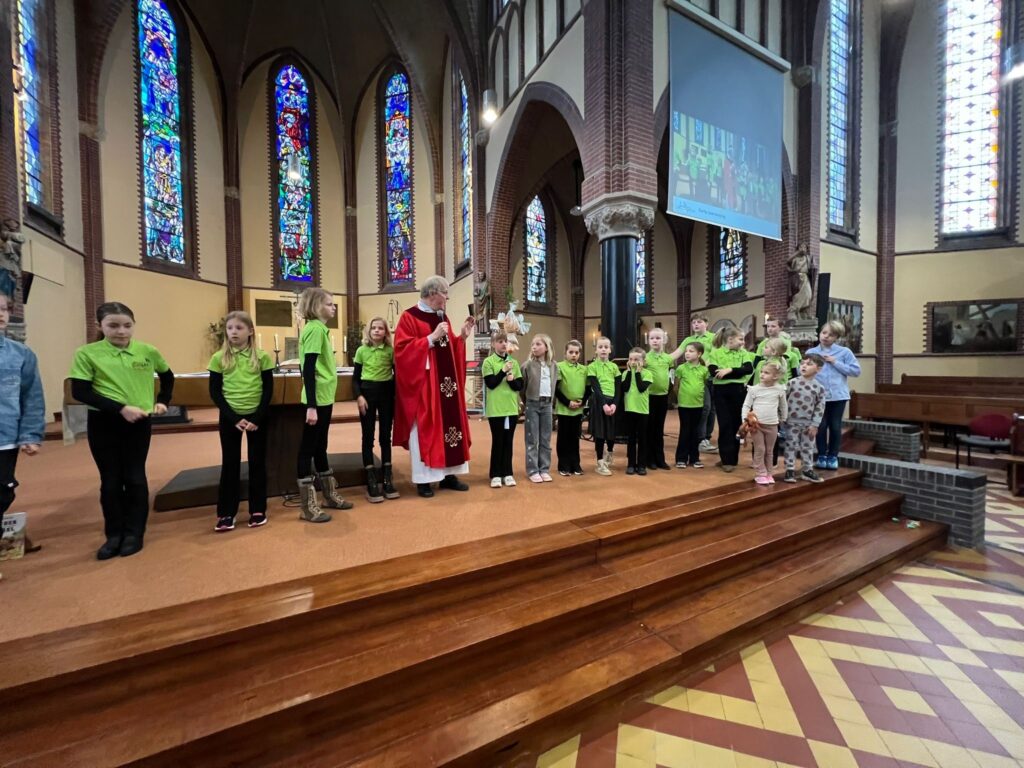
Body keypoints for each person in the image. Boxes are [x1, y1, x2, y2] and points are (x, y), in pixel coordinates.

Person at [69, 302, 173, 559]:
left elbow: (168, 376)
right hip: (104, 423)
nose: (121, 331)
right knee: (111, 481)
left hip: (138, 423)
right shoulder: (87, 353)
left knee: (135, 477)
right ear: (100, 326)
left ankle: (134, 533)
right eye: (113, 326)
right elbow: (80, 391)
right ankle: (113, 535)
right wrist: (119, 409)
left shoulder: (147, 351)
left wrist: (163, 401)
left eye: (127, 326)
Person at [393, 275, 475, 498]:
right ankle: (424, 481)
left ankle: (449, 475)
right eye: (445, 293)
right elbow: (401, 352)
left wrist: (462, 338)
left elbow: (447, 352)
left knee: (450, 428)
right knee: (425, 429)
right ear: (432, 294)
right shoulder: (409, 317)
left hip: (445, 387)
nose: (447, 297)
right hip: (425, 388)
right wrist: (430, 338)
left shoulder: (442, 316)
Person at [208, 311, 274, 532]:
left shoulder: (262, 356)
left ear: (250, 331)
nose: (233, 332)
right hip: (230, 418)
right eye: (230, 328)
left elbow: (268, 390)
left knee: (257, 463)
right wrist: (234, 418)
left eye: (239, 328)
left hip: (258, 417)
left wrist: (257, 417)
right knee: (230, 464)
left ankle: (258, 509)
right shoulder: (219, 358)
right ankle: (226, 513)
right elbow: (215, 392)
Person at [0, 292, 44, 579]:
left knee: (4, 492)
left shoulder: (21, 354)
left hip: (5, 436)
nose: (0, 314)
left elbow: (32, 397)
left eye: (3, 308)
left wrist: (30, 433)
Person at [297, 288, 350, 523]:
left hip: (323, 397)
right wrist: (311, 405)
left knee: (320, 446)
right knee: (307, 449)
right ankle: (307, 507)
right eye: (329, 304)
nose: (334, 307)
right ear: (316, 306)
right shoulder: (315, 330)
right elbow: (308, 369)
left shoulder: (320, 329)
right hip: (315, 399)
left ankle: (329, 495)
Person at [353, 317, 398, 503]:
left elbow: (397, 376)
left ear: (386, 332)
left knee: (385, 436)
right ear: (369, 331)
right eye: (374, 328)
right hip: (367, 395)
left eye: (381, 328)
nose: (377, 331)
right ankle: (371, 479)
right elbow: (355, 378)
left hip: (386, 395)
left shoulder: (390, 351)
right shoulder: (362, 350)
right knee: (368, 436)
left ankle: (387, 477)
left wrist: (396, 397)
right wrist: (359, 396)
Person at [806, 320, 861, 470]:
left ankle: (833, 456)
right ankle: (822, 455)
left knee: (835, 426)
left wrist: (835, 362)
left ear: (836, 337)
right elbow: (803, 373)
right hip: (818, 396)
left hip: (838, 396)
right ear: (820, 333)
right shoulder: (811, 353)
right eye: (824, 333)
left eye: (831, 335)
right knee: (821, 426)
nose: (826, 337)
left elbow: (856, 371)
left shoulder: (844, 352)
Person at [705, 326, 754, 473]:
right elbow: (714, 372)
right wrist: (737, 372)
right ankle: (726, 459)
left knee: (736, 425)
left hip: (738, 392)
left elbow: (748, 369)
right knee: (725, 424)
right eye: (741, 339)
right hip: (721, 392)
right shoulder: (716, 353)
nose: (743, 342)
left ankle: (733, 458)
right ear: (730, 339)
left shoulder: (743, 353)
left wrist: (729, 370)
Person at [482, 330, 523, 488]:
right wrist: (503, 371)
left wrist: (512, 380)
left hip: (511, 409)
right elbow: (491, 383)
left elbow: (519, 386)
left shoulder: (514, 362)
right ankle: (495, 474)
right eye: (500, 341)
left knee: (509, 442)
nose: (504, 344)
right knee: (498, 441)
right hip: (496, 410)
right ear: (493, 344)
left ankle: (508, 473)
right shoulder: (488, 362)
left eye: (505, 341)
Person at [671, 313, 717, 453]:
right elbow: (676, 354)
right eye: (694, 322)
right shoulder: (688, 340)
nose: (696, 324)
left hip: (708, 375)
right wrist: (658, 360)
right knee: (704, 408)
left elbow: (715, 355)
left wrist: (703, 366)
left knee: (710, 409)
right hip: (694, 376)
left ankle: (705, 438)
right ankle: (700, 438)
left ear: (706, 323)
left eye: (699, 322)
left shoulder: (713, 337)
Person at [741, 362, 787, 485]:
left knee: (769, 450)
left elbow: (783, 406)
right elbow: (746, 405)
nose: (762, 374)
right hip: (757, 425)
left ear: (775, 376)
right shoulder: (753, 389)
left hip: (772, 425)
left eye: (766, 373)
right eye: (761, 371)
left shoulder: (779, 389)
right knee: (760, 448)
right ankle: (760, 473)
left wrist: (783, 418)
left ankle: (769, 473)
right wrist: (745, 420)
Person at [783, 354, 827, 483]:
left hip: (809, 424)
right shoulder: (792, 383)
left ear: (818, 369)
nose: (804, 366)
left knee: (808, 447)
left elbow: (820, 407)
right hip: (791, 422)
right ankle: (789, 470)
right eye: (802, 363)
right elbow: (782, 400)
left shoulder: (819, 388)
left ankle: (807, 470)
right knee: (790, 445)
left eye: (809, 364)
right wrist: (781, 417)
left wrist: (815, 424)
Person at [521, 333, 558, 483]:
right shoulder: (527, 365)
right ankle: (532, 470)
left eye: (538, 344)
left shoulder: (554, 365)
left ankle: (544, 469)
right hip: (532, 404)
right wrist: (527, 402)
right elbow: (522, 387)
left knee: (545, 438)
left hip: (547, 405)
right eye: (533, 344)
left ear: (547, 347)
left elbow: (555, 384)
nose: (534, 347)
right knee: (532, 438)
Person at [555, 340, 588, 476]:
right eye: (571, 352)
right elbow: (556, 389)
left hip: (578, 409)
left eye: (576, 352)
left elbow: (588, 388)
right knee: (563, 437)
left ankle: (575, 464)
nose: (574, 355)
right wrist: (568, 402)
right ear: (565, 353)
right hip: (564, 408)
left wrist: (582, 402)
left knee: (575, 438)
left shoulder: (584, 369)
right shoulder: (559, 366)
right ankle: (563, 465)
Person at [587, 336, 619, 476]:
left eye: (606, 347)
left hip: (612, 402)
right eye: (600, 347)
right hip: (599, 402)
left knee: (611, 433)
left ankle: (609, 453)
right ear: (596, 350)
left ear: (610, 350)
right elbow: (596, 387)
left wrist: (615, 404)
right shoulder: (592, 366)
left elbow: (618, 388)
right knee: (600, 433)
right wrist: (604, 405)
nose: (603, 349)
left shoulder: (614, 367)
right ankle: (600, 462)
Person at [674, 341, 708, 469]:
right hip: (684, 405)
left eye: (691, 351)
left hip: (698, 405)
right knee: (685, 431)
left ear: (699, 354)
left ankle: (694, 458)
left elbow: (704, 384)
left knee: (696, 432)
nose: (687, 353)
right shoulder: (681, 368)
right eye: (686, 351)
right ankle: (681, 458)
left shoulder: (704, 370)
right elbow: (676, 386)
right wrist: (680, 399)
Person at [622, 347, 653, 476]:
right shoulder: (625, 374)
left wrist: (639, 372)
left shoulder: (647, 374)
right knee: (631, 438)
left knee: (642, 438)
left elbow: (641, 388)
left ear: (643, 361)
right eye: (631, 359)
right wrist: (630, 372)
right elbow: (625, 387)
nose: (633, 361)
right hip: (629, 409)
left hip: (642, 410)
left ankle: (641, 464)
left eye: (636, 359)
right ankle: (630, 464)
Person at [644, 329, 673, 470]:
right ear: (648, 341)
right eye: (652, 338)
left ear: (664, 340)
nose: (655, 341)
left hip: (662, 397)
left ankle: (660, 459)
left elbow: (671, 377)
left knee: (659, 429)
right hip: (649, 397)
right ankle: (649, 459)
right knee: (649, 428)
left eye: (658, 338)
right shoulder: (645, 358)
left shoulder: (668, 358)